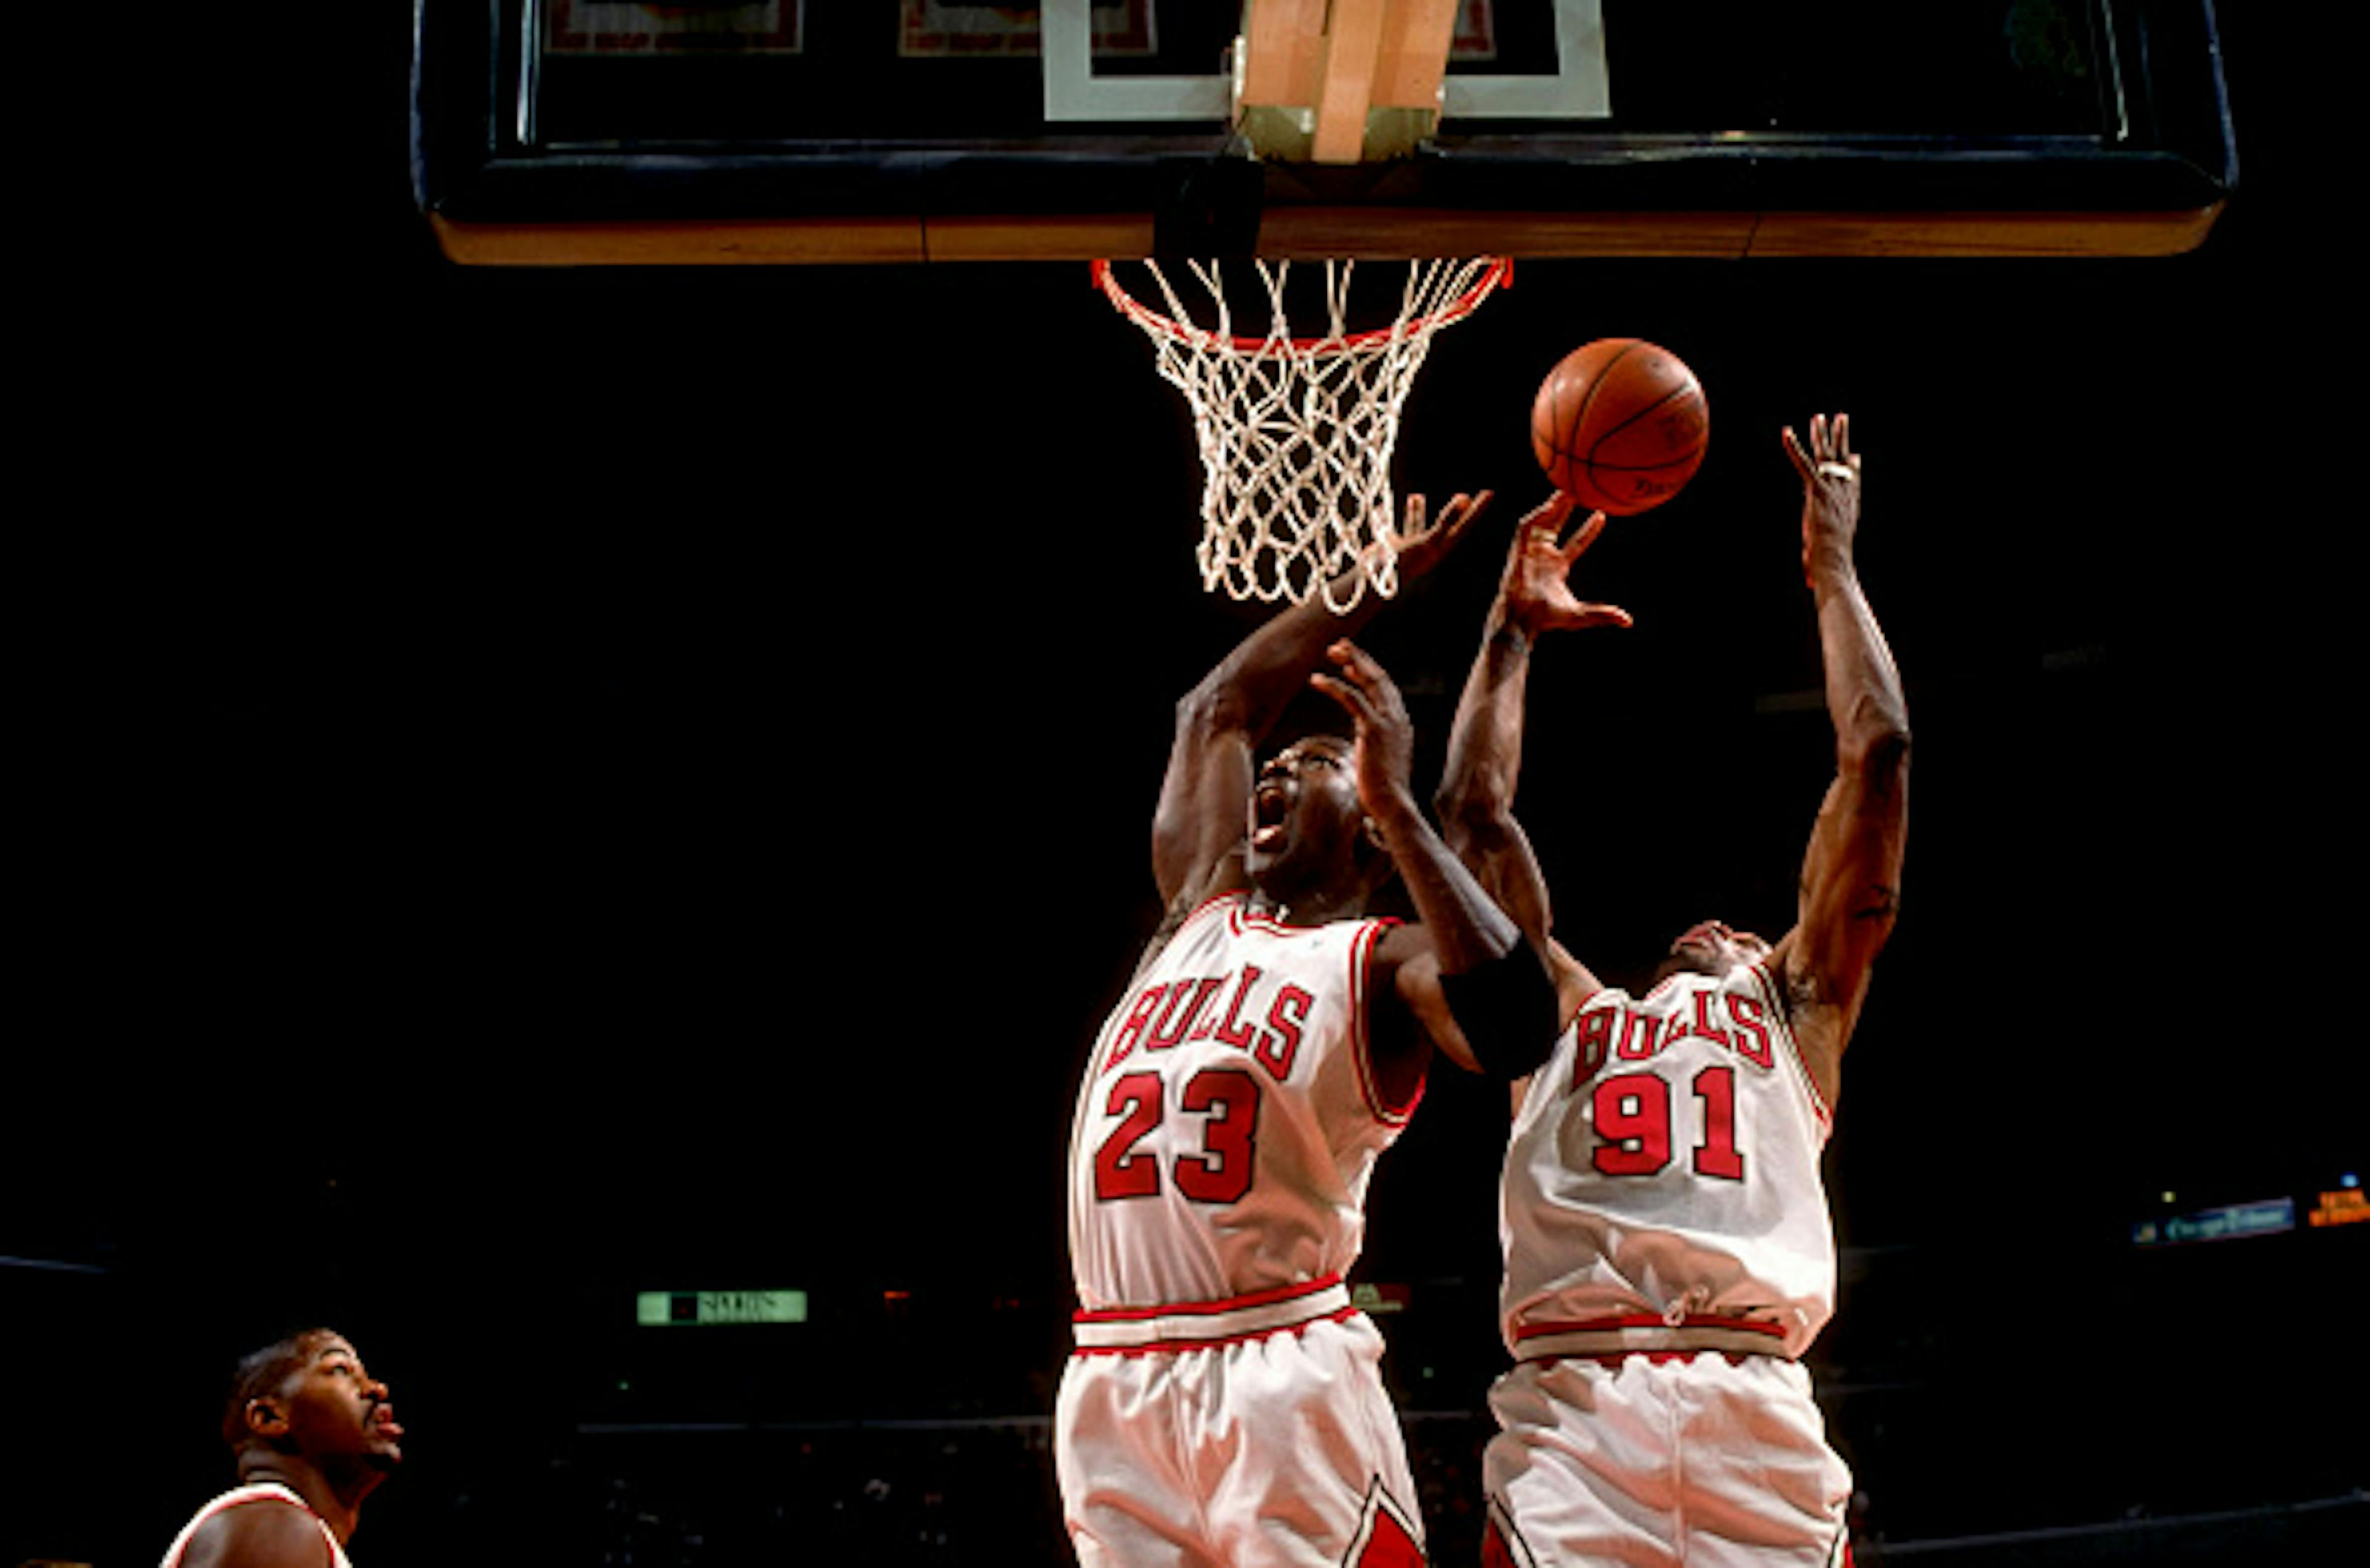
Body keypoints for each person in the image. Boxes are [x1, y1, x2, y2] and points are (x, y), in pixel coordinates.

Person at [1056, 494, 1565, 1568]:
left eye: (1315, 765)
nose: (1278, 772)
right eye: (1278, 768)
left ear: (1374, 829)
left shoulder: (1384, 961)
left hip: (1279, 1364)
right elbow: (1215, 712)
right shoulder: (1196, 910)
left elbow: (1518, 1026)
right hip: (1111, 1372)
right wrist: (1375, 582)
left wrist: (1404, 806)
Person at [1435, 414, 1908, 1567]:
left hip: (1753, 1402)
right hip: (1573, 1415)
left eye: (1747, 928)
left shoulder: (1796, 1008)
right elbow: (1473, 820)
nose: (1721, 925)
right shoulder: (1559, 1019)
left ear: (1770, 955)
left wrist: (1833, 570)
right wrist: (1509, 630)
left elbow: (1880, 747)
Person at [160, 1328, 405, 1567]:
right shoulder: (276, 1525)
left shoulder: (287, 1531)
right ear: (269, 1418)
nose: (377, 1389)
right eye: (339, 1369)